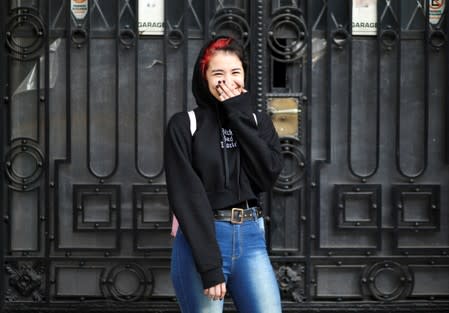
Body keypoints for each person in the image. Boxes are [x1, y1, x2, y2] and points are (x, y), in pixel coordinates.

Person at [164, 36, 284, 313]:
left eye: (235, 72)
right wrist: (209, 265)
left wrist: (238, 115)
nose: (227, 81)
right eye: (217, 73)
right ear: (204, 77)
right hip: (205, 238)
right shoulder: (185, 125)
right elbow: (186, 196)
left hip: (251, 236)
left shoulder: (256, 121)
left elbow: (267, 176)